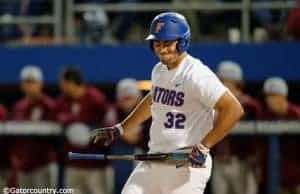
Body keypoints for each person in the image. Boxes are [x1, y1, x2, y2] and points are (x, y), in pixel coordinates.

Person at [90, 12, 244, 194]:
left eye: (167, 43)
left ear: (182, 42)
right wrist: (121, 128)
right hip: (154, 159)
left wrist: (204, 146)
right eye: (157, 43)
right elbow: (155, 99)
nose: (162, 49)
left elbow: (233, 109)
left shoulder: (196, 75)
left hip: (185, 164)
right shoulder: (159, 70)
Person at [54, 67, 111, 194]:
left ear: (70, 83)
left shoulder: (96, 99)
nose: (60, 86)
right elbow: (57, 124)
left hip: (95, 165)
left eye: (62, 82)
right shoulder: (61, 102)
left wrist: (90, 133)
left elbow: (109, 126)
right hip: (73, 164)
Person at [211, 60, 262, 194]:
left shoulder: (250, 105)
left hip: (242, 162)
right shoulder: (214, 103)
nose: (219, 83)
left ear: (235, 82)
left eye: (223, 80)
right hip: (219, 161)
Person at [10, 65, 56, 188]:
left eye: (32, 82)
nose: (29, 85)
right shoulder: (18, 107)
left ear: (40, 84)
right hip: (23, 166)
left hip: (43, 164)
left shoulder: (49, 105)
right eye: (26, 82)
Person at [261, 77, 300, 194]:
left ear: (283, 96)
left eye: (273, 96)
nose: (269, 100)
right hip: (276, 176)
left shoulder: (296, 114)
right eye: (267, 96)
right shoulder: (265, 116)